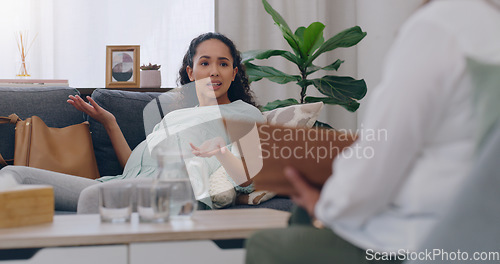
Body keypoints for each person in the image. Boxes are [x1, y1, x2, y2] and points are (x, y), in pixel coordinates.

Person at [245, 0, 500, 263]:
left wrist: (323, 206)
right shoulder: (490, 24)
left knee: (269, 245)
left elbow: (382, 158)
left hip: (424, 239)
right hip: (482, 237)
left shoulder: (438, 26)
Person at [0, 32, 265, 212]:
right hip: (120, 184)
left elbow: (248, 178)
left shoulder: (246, 115)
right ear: (191, 72)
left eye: (223, 63)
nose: (214, 71)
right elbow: (133, 168)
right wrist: (110, 122)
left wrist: (220, 151)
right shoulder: (174, 117)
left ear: (234, 73)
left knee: (94, 200)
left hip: (175, 192)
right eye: (205, 63)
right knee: (14, 175)